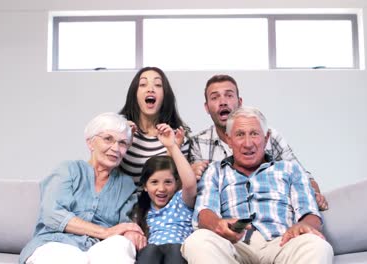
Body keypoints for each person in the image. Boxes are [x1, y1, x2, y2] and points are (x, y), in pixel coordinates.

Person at [181, 107, 333, 264]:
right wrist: (218, 224)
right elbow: (205, 210)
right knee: (197, 241)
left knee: (318, 246)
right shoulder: (215, 171)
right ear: (229, 139)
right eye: (240, 134)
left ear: (266, 138)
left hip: (281, 243)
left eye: (254, 134)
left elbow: (310, 212)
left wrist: (303, 225)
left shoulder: (290, 169)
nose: (248, 143)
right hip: (234, 245)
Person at [19, 112, 146, 264]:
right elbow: (52, 215)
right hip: (56, 243)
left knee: (121, 245)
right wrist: (104, 232)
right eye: (108, 139)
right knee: (73, 259)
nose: (116, 148)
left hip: (99, 248)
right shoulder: (67, 170)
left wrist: (132, 232)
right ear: (90, 143)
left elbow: (124, 226)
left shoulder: (126, 185)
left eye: (122, 143)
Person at [189, 74, 328, 210]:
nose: (223, 102)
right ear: (206, 107)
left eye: (229, 95)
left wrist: (313, 196)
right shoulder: (197, 143)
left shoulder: (269, 136)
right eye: (215, 97)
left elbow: (304, 179)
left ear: (240, 102)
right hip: (225, 215)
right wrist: (190, 176)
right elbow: (195, 197)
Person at [135, 123, 197, 264]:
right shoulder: (143, 210)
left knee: (175, 249)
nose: (161, 188)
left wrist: (173, 147)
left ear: (176, 183)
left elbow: (190, 183)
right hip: (152, 255)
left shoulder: (180, 201)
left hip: (178, 254)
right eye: (154, 182)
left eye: (168, 182)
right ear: (145, 186)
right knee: (150, 250)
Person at [119, 66, 190, 185]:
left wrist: (173, 148)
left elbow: (177, 186)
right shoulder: (120, 130)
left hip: (162, 203)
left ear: (165, 95)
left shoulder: (178, 136)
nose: (150, 89)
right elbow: (105, 176)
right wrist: (120, 142)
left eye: (157, 85)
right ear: (134, 93)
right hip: (124, 202)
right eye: (143, 84)